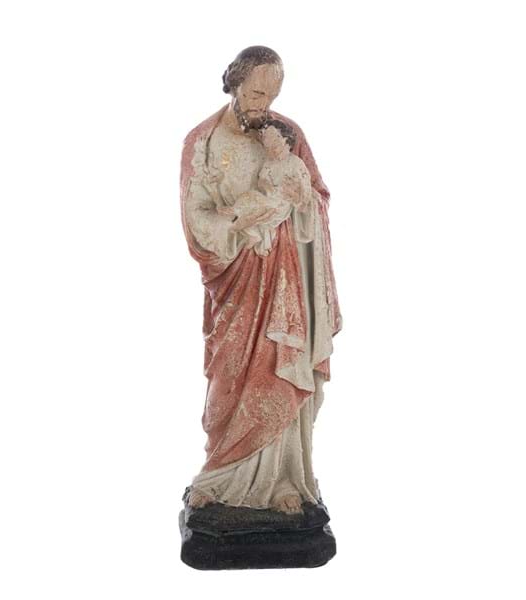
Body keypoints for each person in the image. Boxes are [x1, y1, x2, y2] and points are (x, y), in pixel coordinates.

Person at [180, 46, 342, 514]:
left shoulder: (288, 134)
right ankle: (218, 473)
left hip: (284, 277)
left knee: (278, 367)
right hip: (236, 279)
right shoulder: (202, 142)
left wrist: (298, 203)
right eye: (255, 93)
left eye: (271, 95)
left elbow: (317, 197)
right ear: (234, 83)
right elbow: (195, 218)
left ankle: (284, 478)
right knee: (229, 377)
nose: (263, 105)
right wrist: (239, 221)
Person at [208, 118, 315, 257]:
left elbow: (305, 195)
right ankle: (243, 223)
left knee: (255, 207)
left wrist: (294, 194)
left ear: (285, 139)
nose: (270, 146)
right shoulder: (269, 162)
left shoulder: (295, 164)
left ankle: (238, 228)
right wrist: (265, 186)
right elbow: (261, 181)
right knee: (250, 197)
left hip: (279, 205)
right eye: (267, 142)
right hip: (267, 197)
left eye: (274, 141)